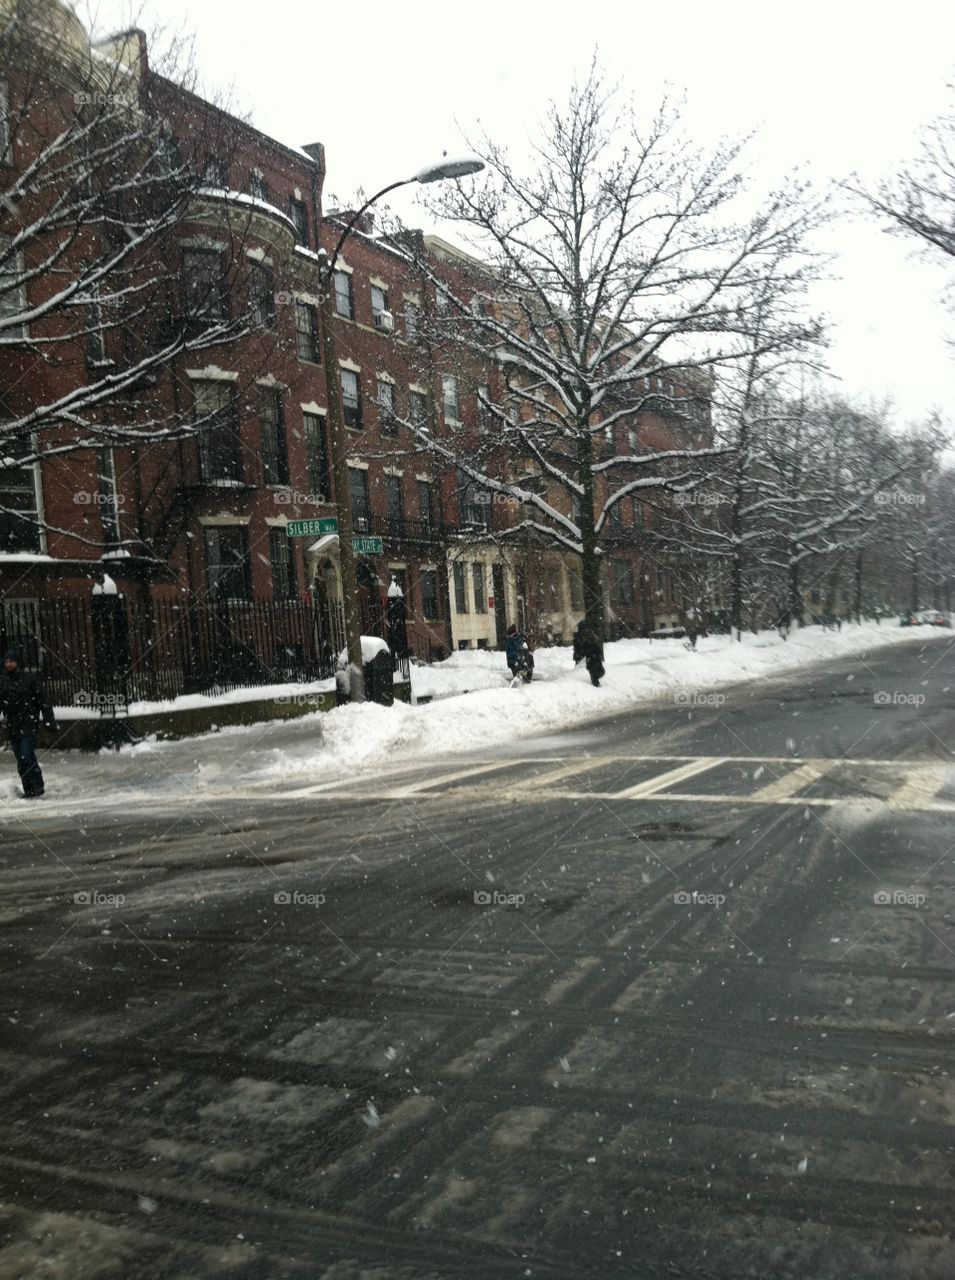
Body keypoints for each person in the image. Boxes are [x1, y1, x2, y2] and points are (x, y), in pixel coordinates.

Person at [0, 648, 57, 798]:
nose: (8, 664)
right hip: (12, 725)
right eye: (6, 662)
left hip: (28, 724)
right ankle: (29, 788)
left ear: (18, 663)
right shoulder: (3, 682)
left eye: (11, 661)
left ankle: (37, 785)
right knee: (21, 758)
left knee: (26, 755)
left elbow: (43, 701)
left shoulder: (29, 679)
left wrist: (49, 721)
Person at [572, 619, 605, 687]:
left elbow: (593, 643)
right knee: (594, 670)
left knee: (597, 670)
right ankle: (596, 684)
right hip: (590, 655)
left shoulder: (588, 633)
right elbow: (580, 646)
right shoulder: (582, 634)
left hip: (592, 655)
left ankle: (596, 683)